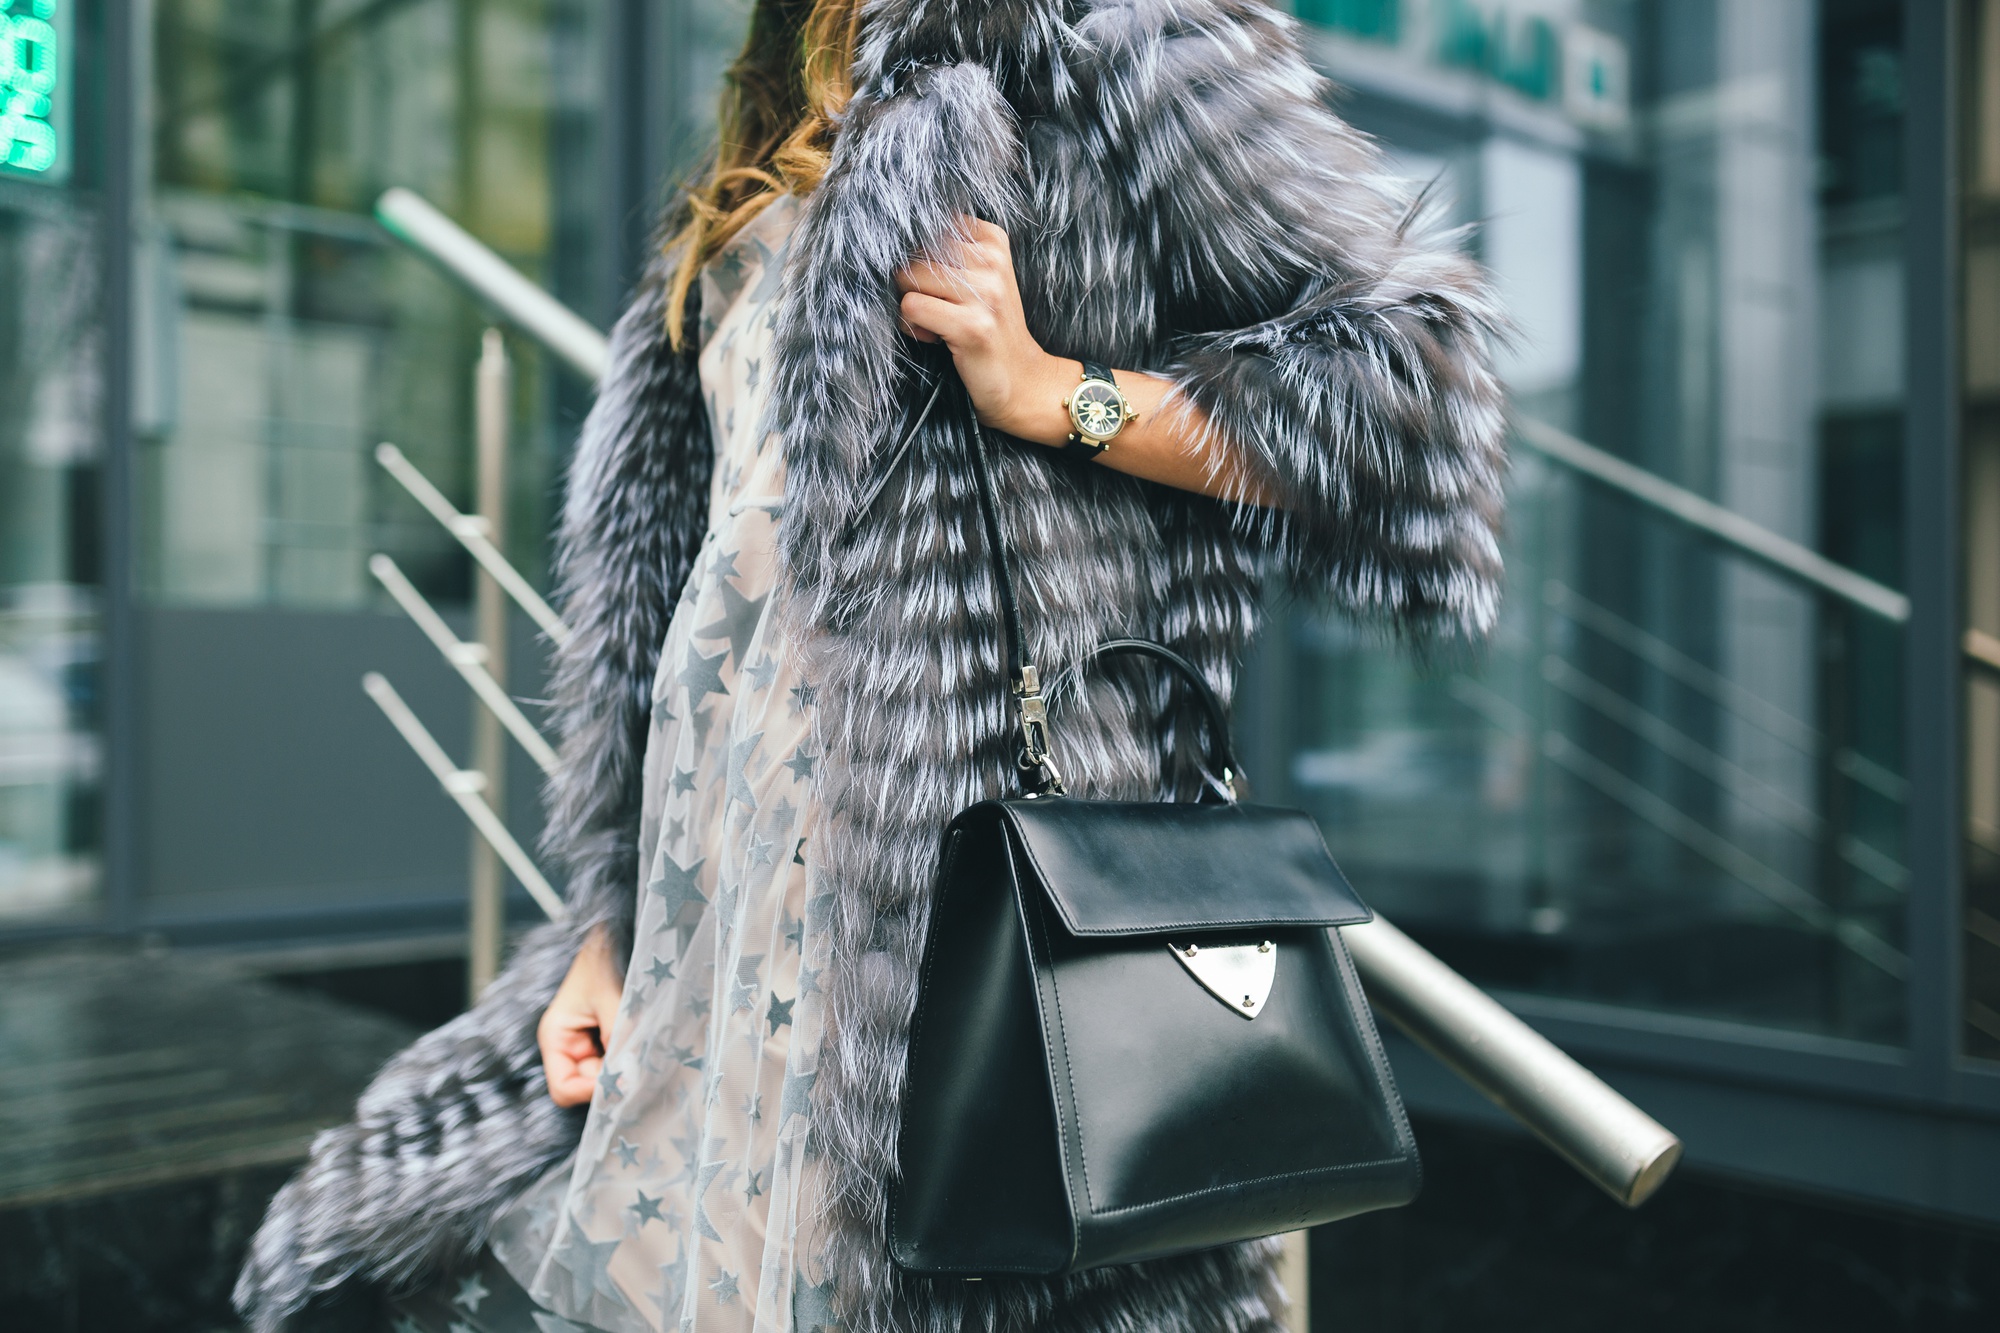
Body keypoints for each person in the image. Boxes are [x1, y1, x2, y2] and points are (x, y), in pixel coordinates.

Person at [236, 2, 1508, 1332]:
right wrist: (609, 919)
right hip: (713, 885)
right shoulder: (784, 99)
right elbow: (706, 577)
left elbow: (1407, 389)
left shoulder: (1110, 39)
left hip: (943, 905)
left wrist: (1053, 391)